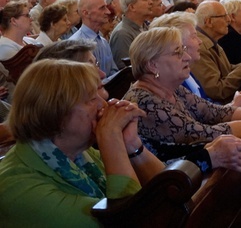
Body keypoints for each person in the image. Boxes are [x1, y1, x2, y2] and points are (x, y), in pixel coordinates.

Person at [0, 59, 164, 227]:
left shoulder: (79, 153)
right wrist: (111, 139)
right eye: (91, 99)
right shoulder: (17, 188)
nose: (103, 104)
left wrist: (131, 145)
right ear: (56, 113)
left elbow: (169, 195)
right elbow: (131, 222)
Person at [123, 27, 241, 161]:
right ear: (152, 65)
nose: (187, 57)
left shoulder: (171, 88)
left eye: (183, 49)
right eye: (177, 52)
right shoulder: (145, 102)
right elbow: (202, 134)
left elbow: (215, 112)